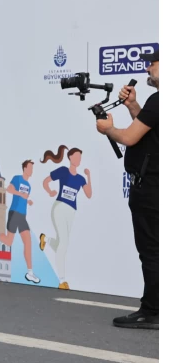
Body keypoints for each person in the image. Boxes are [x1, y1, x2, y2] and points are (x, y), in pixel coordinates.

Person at [97, 49, 158, 328]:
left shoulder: (160, 100)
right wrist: (133, 106)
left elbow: (131, 138)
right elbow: (151, 130)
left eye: (153, 63)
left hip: (151, 190)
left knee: (151, 251)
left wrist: (108, 129)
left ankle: (152, 311)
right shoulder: (157, 103)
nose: (148, 68)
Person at [39, 145, 91, 290]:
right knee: (64, 244)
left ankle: (46, 240)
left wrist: (88, 176)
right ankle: (62, 281)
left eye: (80, 157)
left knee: (63, 244)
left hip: (71, 212)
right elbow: (45, 181)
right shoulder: (62, 171)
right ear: (70, 157)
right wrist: (49, 191)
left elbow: (89, 194)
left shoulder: (81, 179)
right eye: (76, 156)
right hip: (60, 207)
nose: (78, 159)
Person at [0, 160, 40, 283]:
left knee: (28, 242)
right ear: (25, 168)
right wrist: (21, 194)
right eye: (30, 168)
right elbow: (9, 189)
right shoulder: (17, 178)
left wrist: (28, 201)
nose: (31, 170)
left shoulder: (29, 185)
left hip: (22, 216)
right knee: (8, 241)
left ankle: (30, 273)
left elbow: (23, 197)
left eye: (32, 168)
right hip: (14, 213)